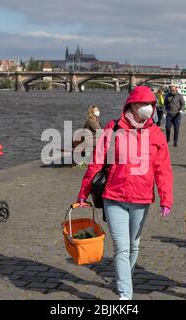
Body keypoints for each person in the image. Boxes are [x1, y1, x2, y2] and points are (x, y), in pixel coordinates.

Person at [76, 86, 174, 300]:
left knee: (134, 245)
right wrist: (83, 192)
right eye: (145, 104)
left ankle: (124, 277)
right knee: (121, 247)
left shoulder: (156, 134)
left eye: (152, 104)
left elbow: (163, 170)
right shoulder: (113, 129)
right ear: (133, 105)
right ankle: (124, 295)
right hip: (114, 196)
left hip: (141, 198)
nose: (149, 108)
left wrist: (166, 198)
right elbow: (97, 161)